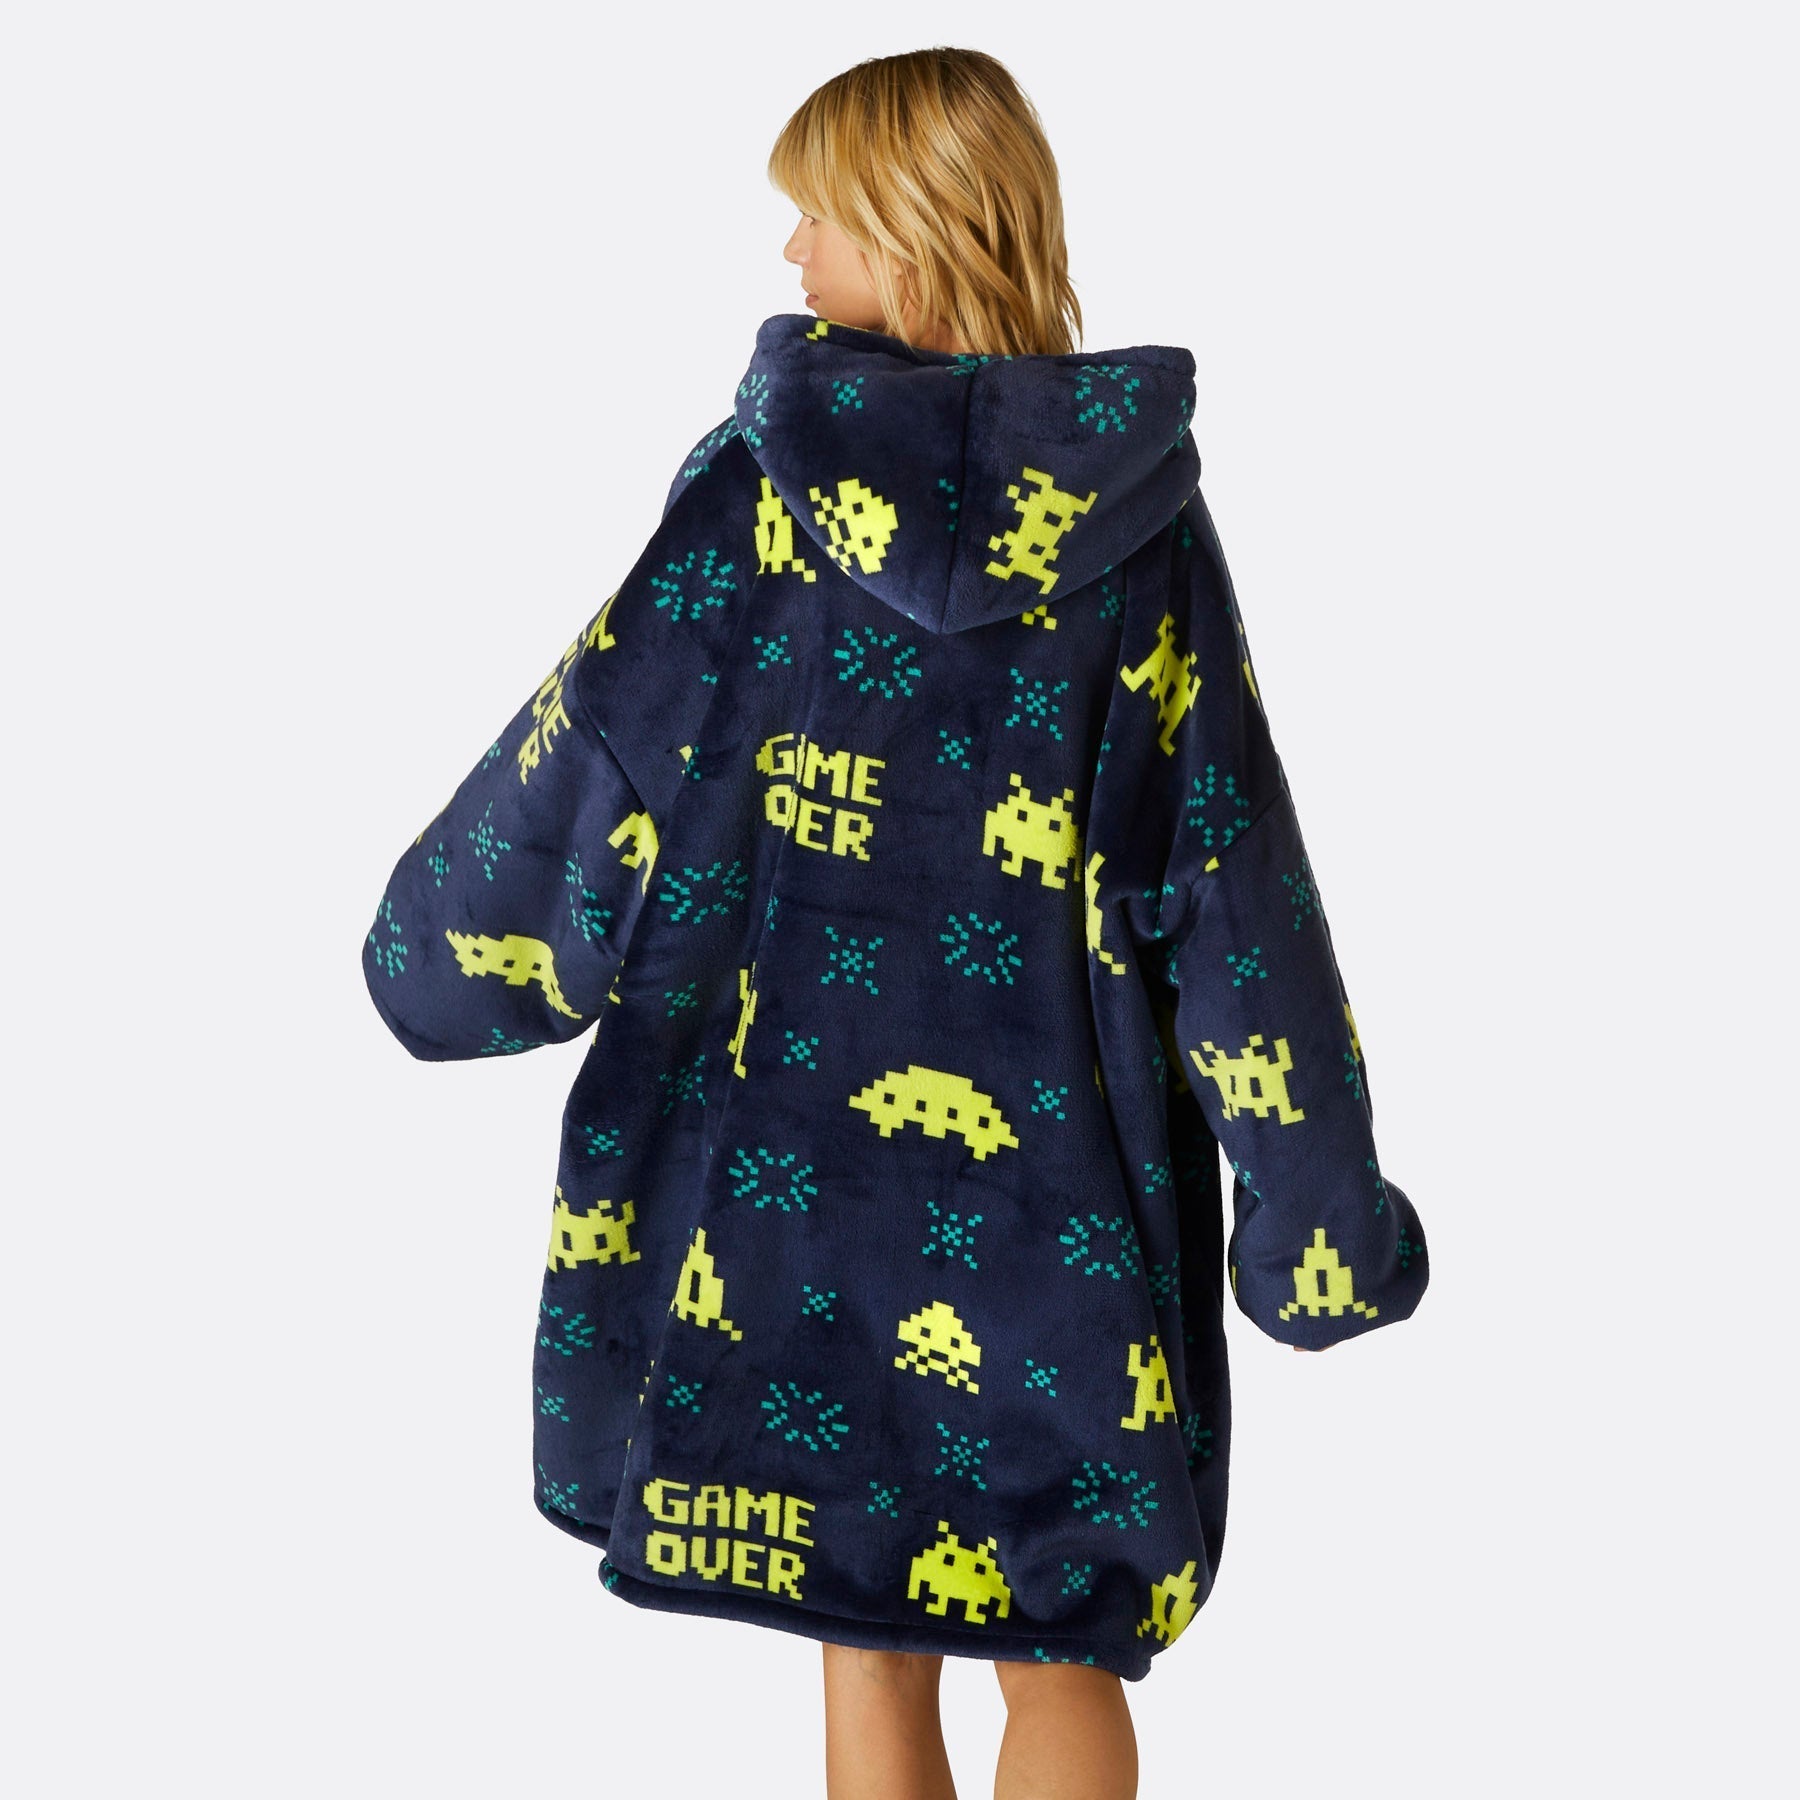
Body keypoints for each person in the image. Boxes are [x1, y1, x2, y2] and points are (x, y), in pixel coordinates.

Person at [361, 46, 1429, 1800]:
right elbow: (1233, 882)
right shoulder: (1142, 529)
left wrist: (439, 950)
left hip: (791, 1200)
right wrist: (1319, 1214)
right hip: (1063, 1210)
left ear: (915, 230)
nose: (789, 252)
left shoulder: (760, 500)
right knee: (1060, 1636)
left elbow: (596, 755)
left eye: (820, 215)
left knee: (865, 1629)